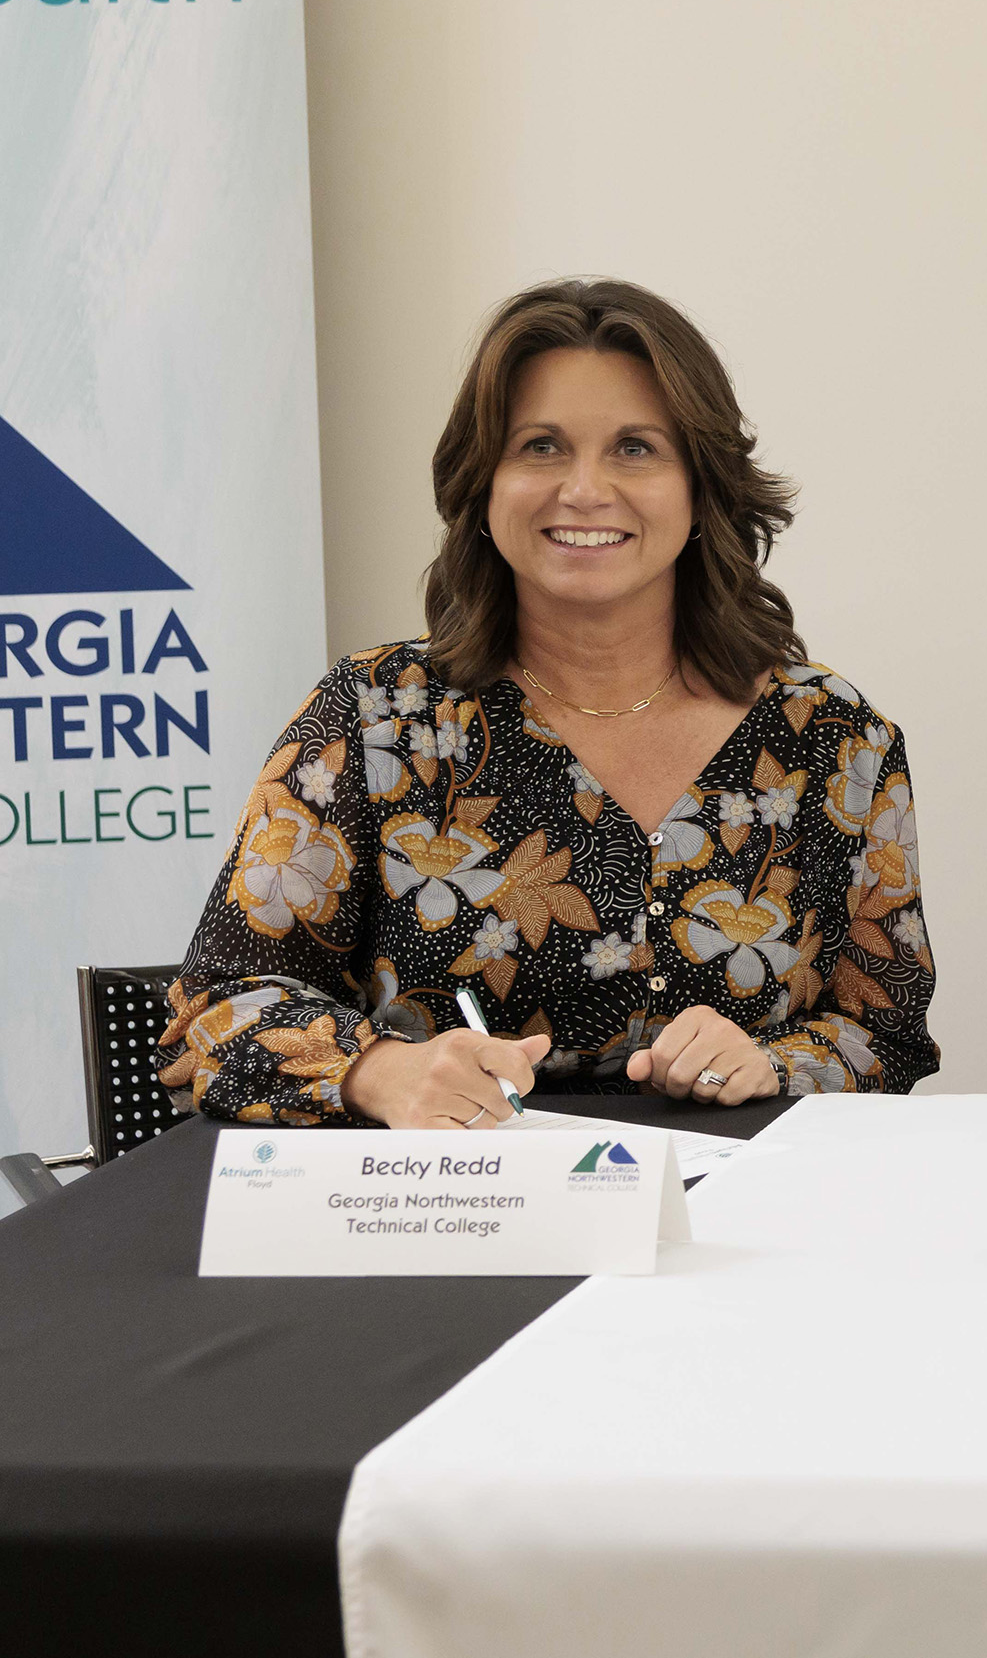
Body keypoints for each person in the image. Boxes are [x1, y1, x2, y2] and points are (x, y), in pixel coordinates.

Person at [163, 280, 938, 1126]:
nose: (584, 489)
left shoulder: (833, 740)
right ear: (483, 487)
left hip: (738, 1227)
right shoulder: (377, 718)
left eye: (636, 448)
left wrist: (770, 1062)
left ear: (701, 488)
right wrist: (381, 1073)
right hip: (446, 1219)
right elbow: (216, 1010)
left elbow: (884, 1035)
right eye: (540, 446)